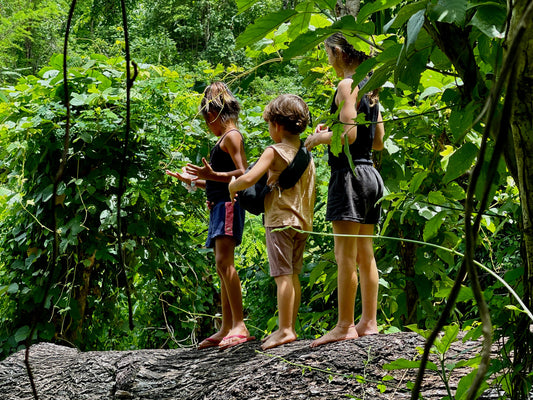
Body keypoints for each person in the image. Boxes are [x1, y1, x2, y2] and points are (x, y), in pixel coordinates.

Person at [304, 33, 385, 347]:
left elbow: (349, 136)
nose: (328, 60)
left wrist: (316, 139)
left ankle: (344, 325)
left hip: (349, 176)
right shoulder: (371, 89)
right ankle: (369, 321)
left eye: (328, 54)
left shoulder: (347, 86)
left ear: (337, 52)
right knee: (366, 253)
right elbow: (376, 141)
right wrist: (333, 129)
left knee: (344, 255)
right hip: (370, 175)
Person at [166, 81, 254, 349]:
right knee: (220, 265)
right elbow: (217, 181)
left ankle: (239, 324)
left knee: (224, 263)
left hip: (229, 206)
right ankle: (226, 326)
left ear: (214, 113)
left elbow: (245, 175)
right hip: (219, 206)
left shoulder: (232, 136)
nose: (208, 127)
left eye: (207, 121)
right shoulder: (224, 139)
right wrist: (193, 180)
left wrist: (211, 175)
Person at [229, 94, 316, 350]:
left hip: (279, 221)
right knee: (294, 275)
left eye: (269, 125)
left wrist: (233, 186)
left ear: (277, 125)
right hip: (302, 222)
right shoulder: (306, 155)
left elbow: (248, 178)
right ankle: (289, 326)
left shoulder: (274, 151)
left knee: (282, 276)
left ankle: (285, 329)